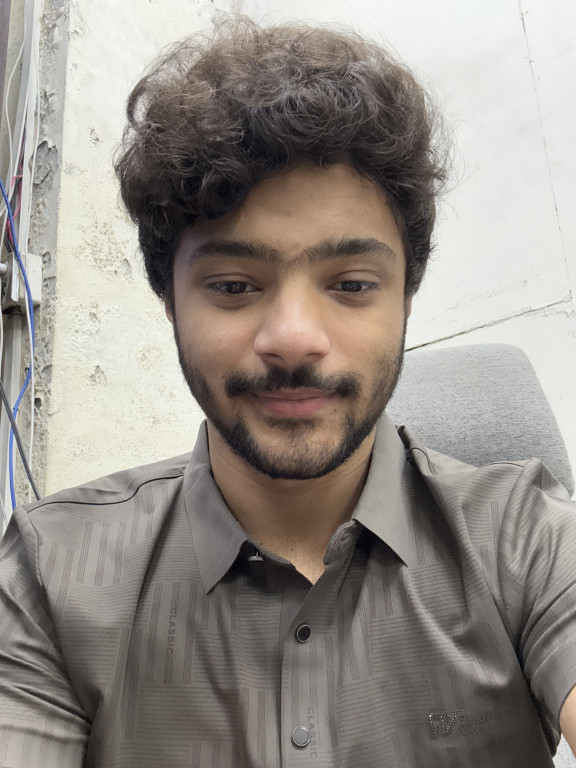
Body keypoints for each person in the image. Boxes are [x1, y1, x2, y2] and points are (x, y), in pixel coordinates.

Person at [0, 17, 575, 768]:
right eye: (235, 286)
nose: (295, 338)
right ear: (171, 302)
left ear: (407, 298)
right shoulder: (52, 574)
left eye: (352, 285)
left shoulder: (530, 539)